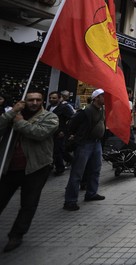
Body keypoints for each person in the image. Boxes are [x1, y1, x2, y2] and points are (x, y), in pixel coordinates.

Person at [0, 90, 59, 252]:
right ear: (24, 101)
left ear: (42, 101)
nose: (34, 103)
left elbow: (40, 133)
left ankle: (16, 234)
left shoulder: (50, 117)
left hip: (36, 168)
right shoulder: (13, 114)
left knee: (28, 203)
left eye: (38, 100)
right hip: (9, 167)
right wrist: (12, 112)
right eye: (31, 100)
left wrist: (19, 122)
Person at [63, 89, 107, 211]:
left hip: (97, 143)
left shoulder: (102, 110)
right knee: (78, 172)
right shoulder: (85, 111)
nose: (105, 99)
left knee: (95, 169)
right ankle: (70, 200)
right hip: (85, 144)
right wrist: (74, 136)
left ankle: (91, 193)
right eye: (103, 96)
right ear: (96, 98)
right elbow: (72, 125)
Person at [47, 90, 75, 176]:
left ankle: (60, 168)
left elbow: (72, 119)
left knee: (58, 150)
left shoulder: (64, 107)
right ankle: (71, 160)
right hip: (50, 132)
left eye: (54, 98)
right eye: (50, 98)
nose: (51, 99)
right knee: (58, 150)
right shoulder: (48, 108)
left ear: (59, 98)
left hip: (60, 132)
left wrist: (65, 131)